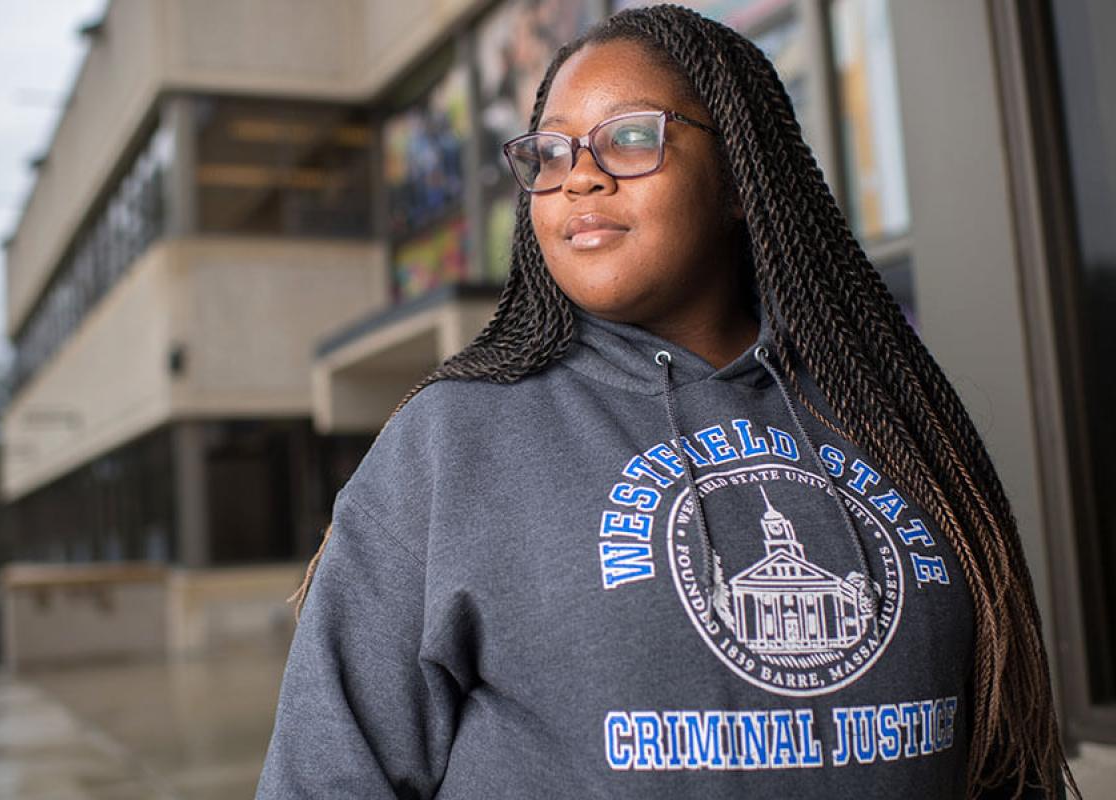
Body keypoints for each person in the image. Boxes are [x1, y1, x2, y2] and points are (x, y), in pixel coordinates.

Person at [256, 5, 1077, 798]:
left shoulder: (894, 420)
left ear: (740, 180)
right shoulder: (452, 442)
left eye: (630, 138)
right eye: (550, 154)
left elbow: (1005, 758)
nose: (578, 174)